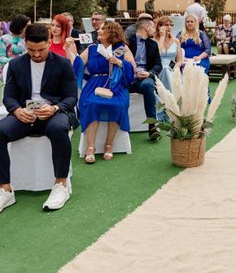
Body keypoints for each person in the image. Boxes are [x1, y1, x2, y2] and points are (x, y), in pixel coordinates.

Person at [0, 24, 78, 213]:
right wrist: (17, 110)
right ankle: (5, 189)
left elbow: (71, 97)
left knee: (58, 129)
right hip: (25, 115)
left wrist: (55, 108)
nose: (36, 54)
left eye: (41, 50)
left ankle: (61, 185)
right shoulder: (16, 64)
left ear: (49, 43)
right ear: (25, 45)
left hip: (56, 114)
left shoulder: (63, 64)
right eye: (31, 50)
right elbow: (8, 96)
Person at [77, 21, 135, 162]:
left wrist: (119, 62)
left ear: (111, 32)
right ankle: (90, 147)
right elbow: (77, 63)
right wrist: (69, 50)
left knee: (117, 104)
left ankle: (109, 145)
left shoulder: (122, 48)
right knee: (91, 103)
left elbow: (132, 68)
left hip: (116, 85)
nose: (98, 30)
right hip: (94, 85)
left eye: (102, 28)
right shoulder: (91, 49)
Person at [128, 17, 162, 140]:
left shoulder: (153, 44)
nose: (154, 30)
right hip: (127, 77)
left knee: (148, 85)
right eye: (153, 27)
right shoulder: (127, 41)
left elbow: (158, 65)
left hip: (144, 79)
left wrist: (150, 73)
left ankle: (152, 126)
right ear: (146, 28)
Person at [155, 16, 183, 91]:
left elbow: (179, 60)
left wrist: (175, 68)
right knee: (165, 69)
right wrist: (162, 37)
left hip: (172, 68)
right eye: (166, 25)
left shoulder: (176, 41)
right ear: (159, 27)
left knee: (168, 70)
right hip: (158, 68)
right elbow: (158, 53)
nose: (169, 27)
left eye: (171, 25)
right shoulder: (154, 41)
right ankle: (171, 95)